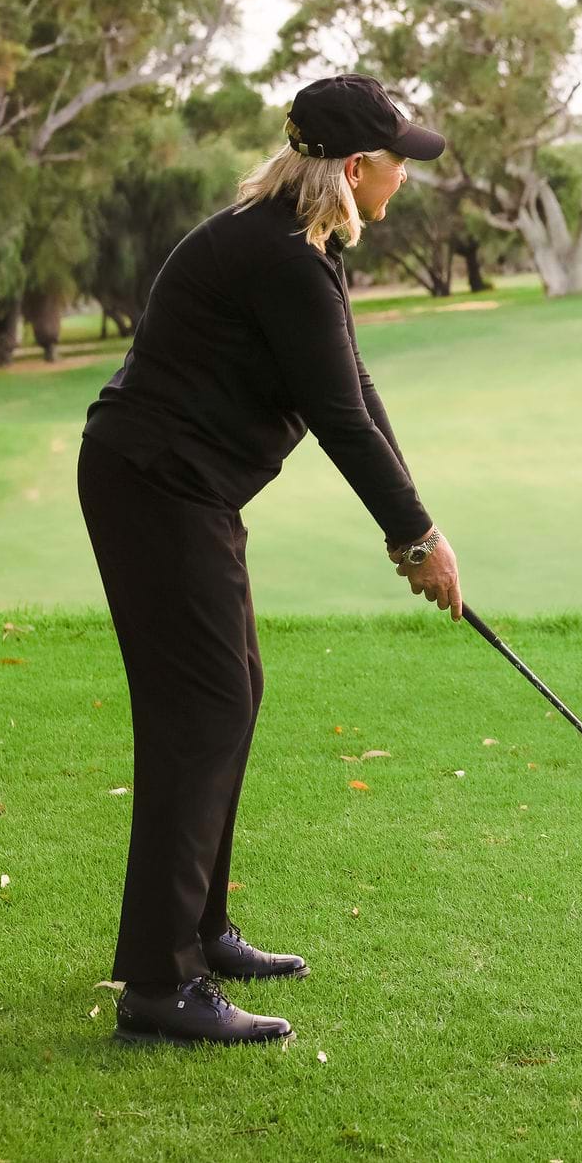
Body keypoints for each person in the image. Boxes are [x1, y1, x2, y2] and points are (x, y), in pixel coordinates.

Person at [79, 74, 466, 1044]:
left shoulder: (299, 248)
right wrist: (411, 536)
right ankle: (159, 986)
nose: (404, 180)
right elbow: (336, 419)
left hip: (182, 491)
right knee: (202, 710)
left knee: (230, 694)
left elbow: (356, 389)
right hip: (154, 487)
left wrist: (420, 526)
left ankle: (200, 933)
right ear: (352, 168)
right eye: (397, 165)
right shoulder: (280, 259)